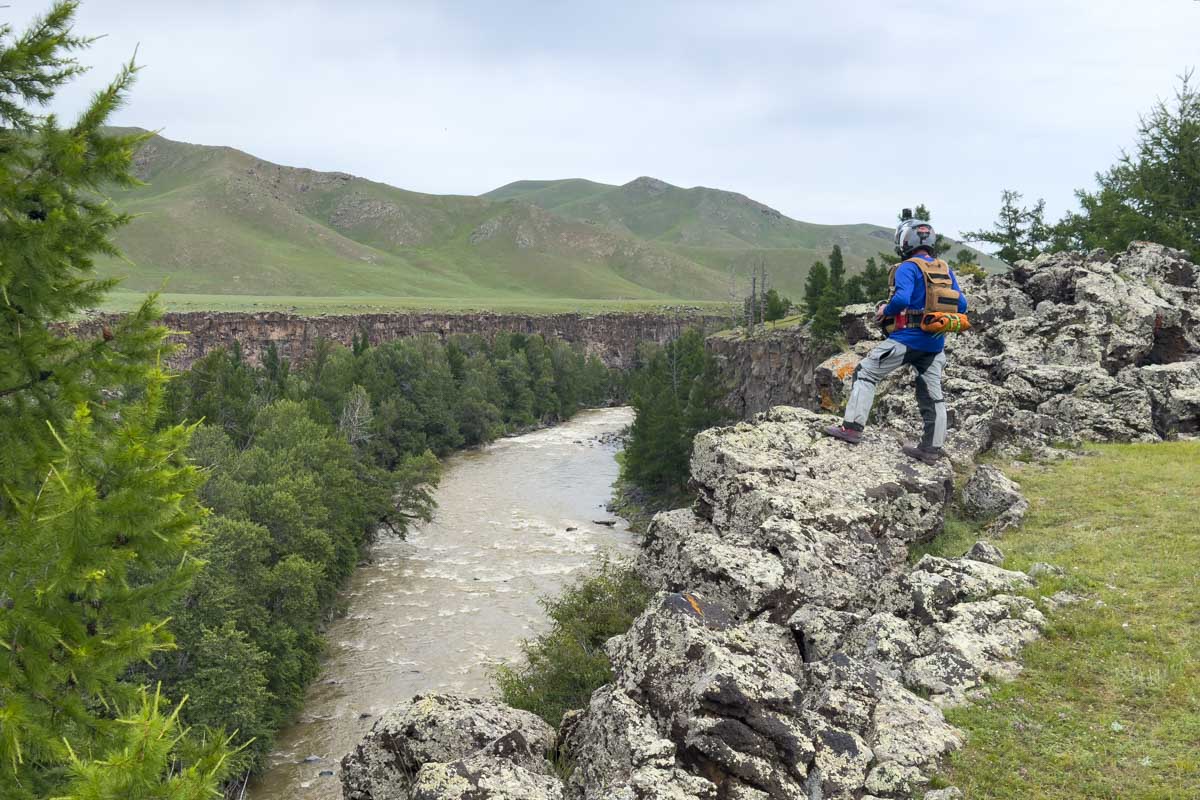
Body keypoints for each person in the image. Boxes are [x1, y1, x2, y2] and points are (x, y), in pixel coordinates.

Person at [822, 215, 969, 464]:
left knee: (866, 373)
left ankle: (851, 428)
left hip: (906, 339)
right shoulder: (945, 268)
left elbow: (901, 299)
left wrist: (884, 311)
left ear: (906, 241)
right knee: (932, 393)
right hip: (934, 344)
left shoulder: (908, 267)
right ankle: (931, 449)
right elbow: (962, 304)